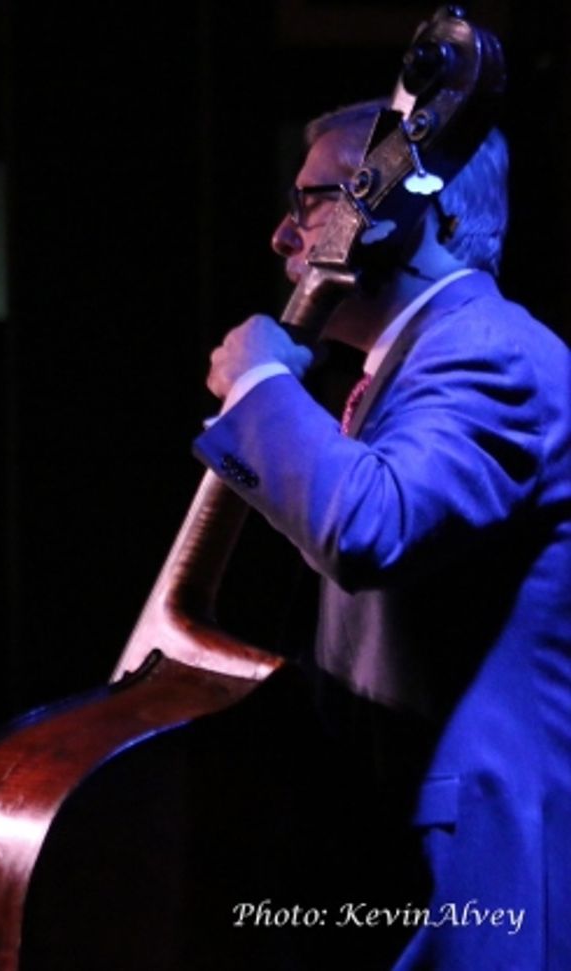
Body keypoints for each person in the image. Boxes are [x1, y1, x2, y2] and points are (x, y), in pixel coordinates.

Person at [197, 101, 571, 968]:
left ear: (420, 209)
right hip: (407, 851)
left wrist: (256, 382)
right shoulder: (421, 361)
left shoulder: (488, 353)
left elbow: (370, 526)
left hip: (480, 867)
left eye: (312, 202)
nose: (284, 239)